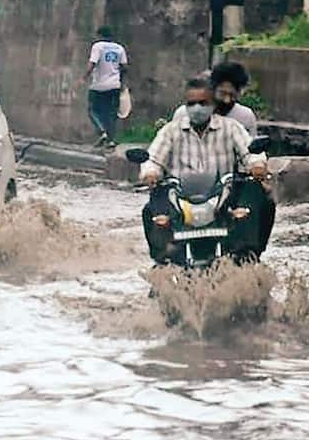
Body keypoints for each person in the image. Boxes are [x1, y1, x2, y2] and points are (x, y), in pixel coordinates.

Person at [140, 76, 267, 263]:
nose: (197, 108)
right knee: (150, 211)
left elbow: (249, 151)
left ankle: (248, 256)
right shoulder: (170, 131)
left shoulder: (231, 128)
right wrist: (150, 173)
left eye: (202, 102)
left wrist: (256, 164)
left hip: (223, 198)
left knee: (257, 205)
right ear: (185, 105)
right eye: (192, 103)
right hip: (179, 200)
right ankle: (163, 260)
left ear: (213, 104)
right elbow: (154, 159)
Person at [172, 61, 257, 136]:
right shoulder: (185, 114)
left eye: (232, 95)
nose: (227, 100)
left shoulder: (245, 116)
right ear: (211, 89)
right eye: (222, 93)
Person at [77, 26, 128, 149]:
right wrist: (122, 83)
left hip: (99, 85)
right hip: (114, 84)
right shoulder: (119, 48)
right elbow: (124, 68)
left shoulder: (98, 46)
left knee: (92, 110)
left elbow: (92, 64)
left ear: (100, 35)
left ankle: (102, 132)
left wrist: (82, 78)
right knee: (111, 113)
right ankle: (110, 140)